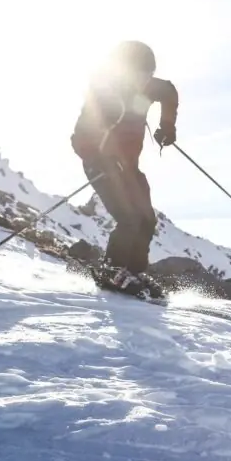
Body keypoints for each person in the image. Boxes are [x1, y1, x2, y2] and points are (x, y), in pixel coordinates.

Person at [70, 40, 178, 297]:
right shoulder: (104, 95)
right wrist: (101, 161)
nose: (145, 80)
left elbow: (169, 92)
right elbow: (80, 139)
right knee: (129, 219)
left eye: (148, 74)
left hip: (128, 167)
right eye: (140, 74)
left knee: (147, 220)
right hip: (101, 165)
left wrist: (167, 127)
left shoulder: (149, 87)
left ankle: (135, 271)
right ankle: (113, 270)